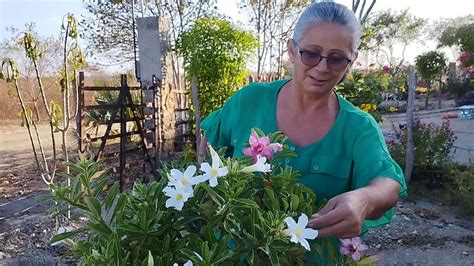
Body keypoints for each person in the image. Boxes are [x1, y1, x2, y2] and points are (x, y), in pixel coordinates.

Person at [199, 1, 407, 263]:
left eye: (336, 58)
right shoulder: (249, 101)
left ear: (351, 61)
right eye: (311, 53)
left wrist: (364, 199)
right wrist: (208, 199)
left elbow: (387, 182)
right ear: (291, 50)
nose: (322, 67)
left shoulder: (358, 126)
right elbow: (208, 143)